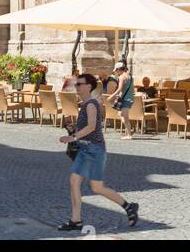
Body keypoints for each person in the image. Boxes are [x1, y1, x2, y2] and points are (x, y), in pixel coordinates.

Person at [57, 73, 138, 233]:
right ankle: (76, 220)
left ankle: (128, 206)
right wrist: (74, 128)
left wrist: (72, 137)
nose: (77, 86)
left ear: (88, 86)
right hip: (85, 149)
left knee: (97, 188)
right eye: (77, 84)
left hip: (94, 150)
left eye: (80, 84)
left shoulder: (91, 104)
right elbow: (86, 127)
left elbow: (92, 126)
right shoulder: (86, 103)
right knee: (74, 181)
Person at [108, 61, 136, 140]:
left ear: (119, 69)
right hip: (129, 98)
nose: (116, 73)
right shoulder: (130, 76)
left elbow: (119, 89)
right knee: (121, 114)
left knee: (125, 117)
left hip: (125, 99)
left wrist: (111, 96)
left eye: (116, 71)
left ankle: (129, 135)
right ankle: (130, 129)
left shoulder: (121, 77)